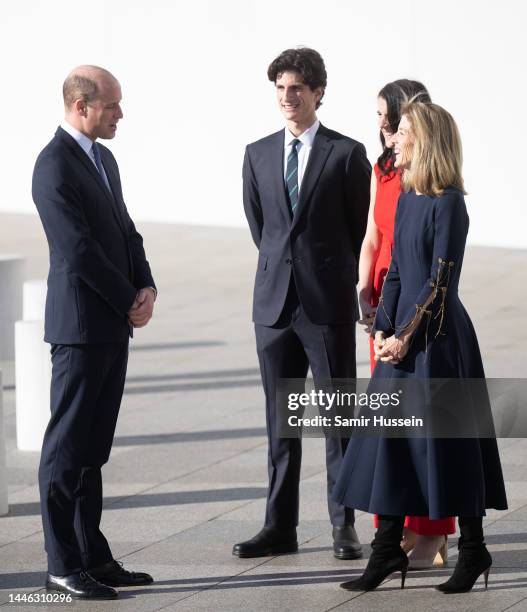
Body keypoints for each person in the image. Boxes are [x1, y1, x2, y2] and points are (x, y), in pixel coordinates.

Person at [332, 101, 508, 592]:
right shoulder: (406, 196)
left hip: (440, 341)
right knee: (388, 444)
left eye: (402, 131)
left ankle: (473, 551)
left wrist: (408, 337)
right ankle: (387, 549)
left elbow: (440, 282)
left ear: (424, 140)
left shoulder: (449, 202)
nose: (393, 138)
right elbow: (398, 274)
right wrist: (383, 332)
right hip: (403, 340)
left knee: (451, 447)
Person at [233, 47, 371, 560]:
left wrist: (330, 273)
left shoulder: (346, 153)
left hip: (326, 305)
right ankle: (279, 527)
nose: (287, 97)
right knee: (279, 423)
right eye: (280, 88)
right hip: (272, 308)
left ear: (317, 93)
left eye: (297, 89)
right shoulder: (257, 152)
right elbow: (262, 227)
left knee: (339, 422)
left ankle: (344, 526)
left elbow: (359, 228)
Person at [32, 65, 157, 600]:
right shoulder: (52, 165)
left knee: (93, 449)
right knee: (66, 449)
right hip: (82, 327)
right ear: (81, 106)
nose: (120, 114)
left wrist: (146, 284)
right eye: (112, 105)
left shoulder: (104, 158)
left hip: (111, 326)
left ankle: (93, 556)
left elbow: (126, 230)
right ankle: (62, 563)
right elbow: (77, 250)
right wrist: (125, 297)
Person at [357, 80, 455, 569]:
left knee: (426, 420)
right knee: (389, 423)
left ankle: (433, 530)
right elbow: (374, 236)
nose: (381, 124)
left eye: (385, 115)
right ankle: (391, 532)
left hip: (415, 308)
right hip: (384, 302)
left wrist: (404, 320)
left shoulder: (429, 183)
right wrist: (364, 295)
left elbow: (431, 263)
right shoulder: (382, 168)